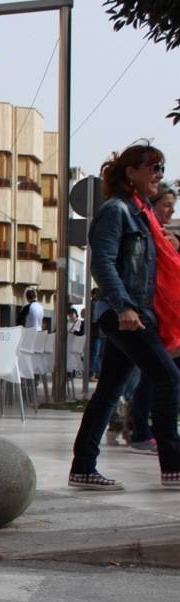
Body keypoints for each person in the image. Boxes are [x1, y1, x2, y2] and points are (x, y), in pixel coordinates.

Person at [69, 143, 179, 491]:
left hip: (136, 313)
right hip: (123, 314)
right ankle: (174, 466)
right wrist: (125, 307)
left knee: (109, 392)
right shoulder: (116, 211)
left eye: (162, 168)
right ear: (131, 172)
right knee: (168, 378)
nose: (159, 175)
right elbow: (102, 263)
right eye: (153, 167)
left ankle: (83, 467)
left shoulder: (141, 213)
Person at [127, 183, 180, 455]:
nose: (171, 210)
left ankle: (140, 429)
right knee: (162, 375)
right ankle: (145, 433)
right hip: (149, 312)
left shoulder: (162, 236)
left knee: (155, 375)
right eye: (166, 204)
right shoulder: (147, 233)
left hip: (162, 314)